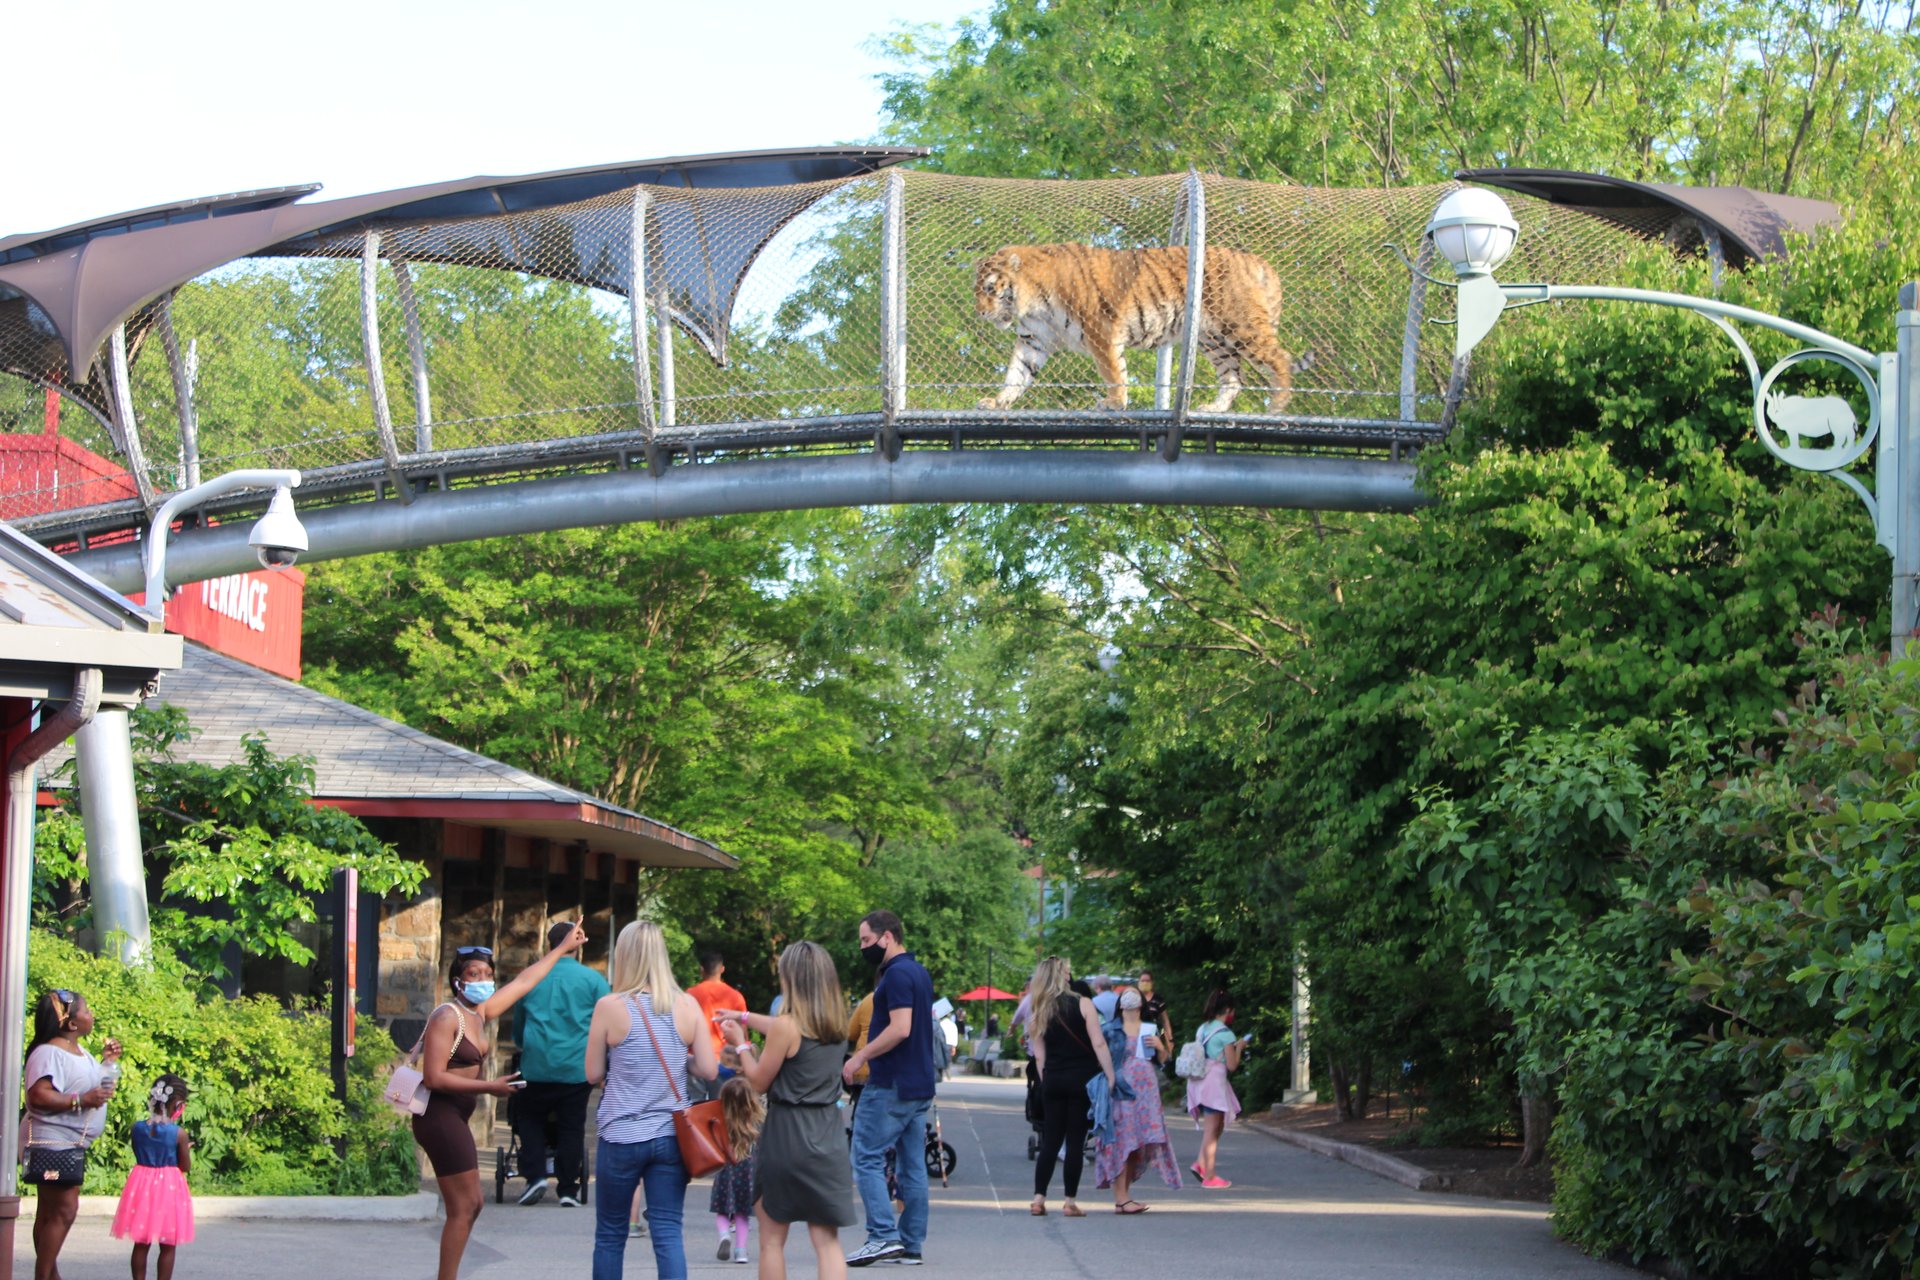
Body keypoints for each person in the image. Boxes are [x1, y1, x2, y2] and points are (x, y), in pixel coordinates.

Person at [416, 924, 588, 1280]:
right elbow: (432, 1077)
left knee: (472, 1204)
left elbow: (525, 982)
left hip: (454, 1116)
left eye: (488, 974)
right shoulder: (447, 1016)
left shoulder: (479, 1013)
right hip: (439, 1116)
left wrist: (562, 949)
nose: (483, 979)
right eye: (474, 974)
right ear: (457, 981)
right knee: (465, 1207)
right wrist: (489, 1087)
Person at [585, 920, 720, 1280]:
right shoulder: (687, 1005)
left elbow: (593, 1073)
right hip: (672, 1137)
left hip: (620, 1136)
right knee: (667, 1232)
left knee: (611, 1235)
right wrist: (681, 1058)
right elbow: (708, 1069)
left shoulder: (609, 1006)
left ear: (625, 956)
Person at [721, 940, 859, 1280]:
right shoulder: (838, 1026)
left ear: (791, 979)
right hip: (827, 1133)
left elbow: (757, 1082)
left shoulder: (786, 1026)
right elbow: (785, 1029)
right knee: (827, 1242)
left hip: (786, 1135)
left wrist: (741, 1042)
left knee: (771, 1241)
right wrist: (743, 1016)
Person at [839, 910, 936, 1267]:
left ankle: (881, 1235)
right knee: (913, 1166)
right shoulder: (919, 972)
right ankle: (911, 1244)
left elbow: (900, 1028)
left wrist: (858, 1057)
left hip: (891, 1083)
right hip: (919, 1084)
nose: (863, 947)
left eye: (866, 940)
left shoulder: (894, 976)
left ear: (887, 937)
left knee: (864, 1156)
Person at [512, 919, 612, 1206]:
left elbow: (519, 1024)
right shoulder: (594, 981)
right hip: (575, 1067)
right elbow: (607, 1022)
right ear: (577, 945)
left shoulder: (531, 977)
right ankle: (568, 1189)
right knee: (571, 1127)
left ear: (548, 944)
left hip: (536, 1065)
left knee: (529, 1120)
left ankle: (535, 1176)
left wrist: (522, 1041)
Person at [24, 988, 120, 1280]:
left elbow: (96, 1091)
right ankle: (43, 1276)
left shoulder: (79, 1052)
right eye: (87, 1010)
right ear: (72, 1023)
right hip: (53, 1141)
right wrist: (80, 1100)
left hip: (67, 1143)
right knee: (64, 1211)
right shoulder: (49, 1052)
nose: (92, 1015)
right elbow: (38, 1095)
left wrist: (107, 1063)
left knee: (50, 1213)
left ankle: (50, 1275)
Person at [1026, 957, 1115, 1218]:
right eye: (1066, 971)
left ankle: (1038, 1198)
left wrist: (1047, 1080)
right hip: (1082, 1080)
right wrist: (1110, 1076)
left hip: (1053, 1079)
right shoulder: (1084, 1004)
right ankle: (1069, 1201)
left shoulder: (1040, 1009)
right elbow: (1098, 1043)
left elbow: (1039, 1056)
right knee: (1075, 1141)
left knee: (1051, 1140)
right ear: (1062, 976)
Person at [1094, 990, 1180, 1213]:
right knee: (1121, 1140)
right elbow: (1098, 1054)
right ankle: (1121, 1198)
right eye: (1126, 995)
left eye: (1135, 995)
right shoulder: (1110, 1029)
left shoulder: (1150, 1028)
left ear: (1142, 1003)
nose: (1130, 997)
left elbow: (1163, 1061)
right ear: (1120, 1005)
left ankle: (1124, 1197)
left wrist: (1161, 1047)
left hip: (1146, 1093)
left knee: (1136, 1144)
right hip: (1121, 1091)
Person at [113, 1073, 195, 1277]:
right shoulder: (178, 1133)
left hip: (141, 1183)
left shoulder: (137, 1128)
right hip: (168, 1186)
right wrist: (185, 1149)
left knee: (141, 1243)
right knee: (168, 1245)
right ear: (178, 1104)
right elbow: (185, 1166)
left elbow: (138, 1152)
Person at [1185, 989, 1247, 1189]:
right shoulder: (1225, 1034)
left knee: (1216, 1126)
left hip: (1198, 1082)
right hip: (1214, 1084)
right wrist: (1239, 1047)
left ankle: (1200, 1163)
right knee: (1212, 1130)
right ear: (1228, 1010)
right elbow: (1232, 1065)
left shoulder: (1203, 1028)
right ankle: (1210, 1176)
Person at [709, 1076, 764, 1265]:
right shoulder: (756, 1123)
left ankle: (724, 1235)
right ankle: (741, 1251)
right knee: (742, 1213)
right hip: (748, 1173)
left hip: (725, 1171)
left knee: (723, 1211)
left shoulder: (719, 1121)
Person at [688, 952, 749, 1102]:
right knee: (723, 1107)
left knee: (697, 1109)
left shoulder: (689, 996)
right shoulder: (735, 996)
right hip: (726, 1061)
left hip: (696, 1060)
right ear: (722, 969)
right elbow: (743, 1033)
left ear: (701, 969)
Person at [1137, 971, 1173, 1070]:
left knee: (1156, 1059)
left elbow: (1165, 1021)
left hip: (1156, 1032)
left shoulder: (1158, 999)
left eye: (1147, 981)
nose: (1145, 983)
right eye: (1142, 980)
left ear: (1152, 982)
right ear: (1138, 982)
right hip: (1137, 1033)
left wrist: (1169, 1038)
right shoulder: (1135, 998)